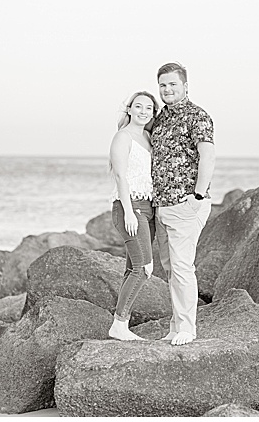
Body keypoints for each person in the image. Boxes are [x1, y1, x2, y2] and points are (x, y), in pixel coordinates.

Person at [151, 62, 216, 346]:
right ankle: (176, 324)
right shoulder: (161, 118)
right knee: (170, 269)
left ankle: (188, 328)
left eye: (173, 84)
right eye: (163, 85)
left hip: (186, 204)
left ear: (185, 86)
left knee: (182, 267)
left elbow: (208, 157)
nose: (167, 90)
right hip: (162, 205)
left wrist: (198, 195)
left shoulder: (197, 116)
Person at [107, 91, 158, 341]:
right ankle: (119, 324)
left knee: (132, 268)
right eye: (138, 106)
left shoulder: (148, 137)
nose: (143, 111)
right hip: (130, 207)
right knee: (144, 267)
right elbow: (120, 177)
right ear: (129, 109)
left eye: (148, 108)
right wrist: (128, 212)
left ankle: (120, 323)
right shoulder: (123, 137)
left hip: (148, 208)